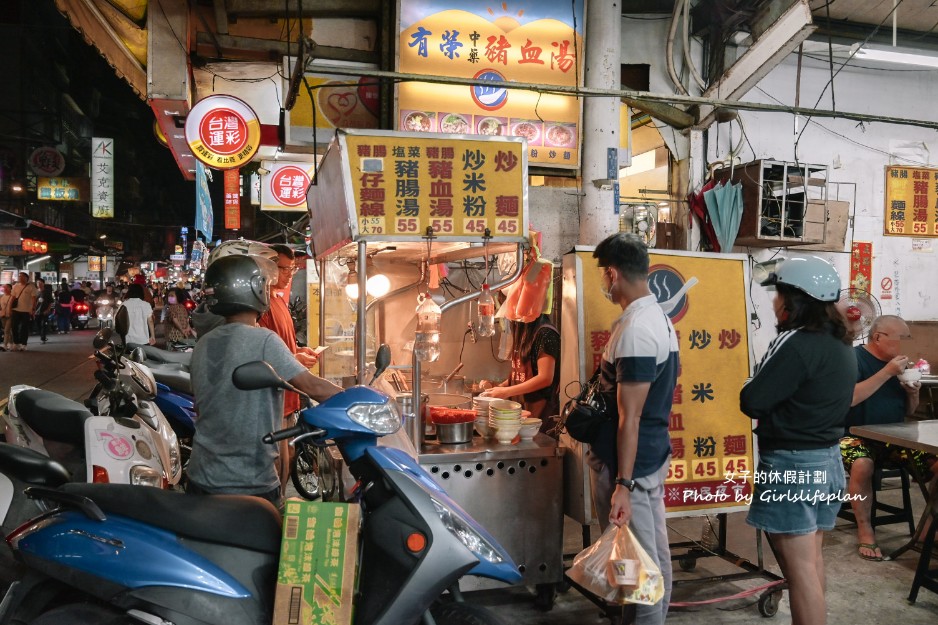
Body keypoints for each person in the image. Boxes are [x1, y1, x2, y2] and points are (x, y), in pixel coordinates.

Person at [740, 256, 856, 625]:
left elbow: (752, 400)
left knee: (800, 570)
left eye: (779, 294)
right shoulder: (841, 345)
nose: (775, 302)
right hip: (828, 462)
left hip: (793, 465)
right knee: (811, 561)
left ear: (795, 301)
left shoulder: (795, 342)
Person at [187, 254, 341, 507]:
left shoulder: (204, 343)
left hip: (201, 475)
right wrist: (360, 397)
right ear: (255, 289)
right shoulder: (264, 340)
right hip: (247, 480)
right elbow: (313, 387)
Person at [588, 232, 679, 625]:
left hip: (634, 465)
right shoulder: (649, 316)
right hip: (641, 459)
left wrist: (623, 485)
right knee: (635, 556)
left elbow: (632, 417)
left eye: (603, 278)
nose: (604, 285)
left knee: (642, 565)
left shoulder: (639, 329)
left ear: (612, 274)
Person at [840, 315, 938, 561]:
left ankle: (926, 532)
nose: (905, 343)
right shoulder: (852, 359)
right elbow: (848, 399)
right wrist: (887, 372)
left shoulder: (901, 366)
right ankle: (866, 531)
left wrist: (912, 393)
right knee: (863, 464)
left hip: (894, 439)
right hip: (852, 436)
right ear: (878, 337)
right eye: (901, 337)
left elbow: (908, 412)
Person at [259, 244, 321, 494]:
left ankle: (280, 504)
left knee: (288, 453)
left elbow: (284, 346)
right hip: (275, 396)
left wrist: (299, 351)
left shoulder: (279, 301)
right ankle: (274, 509)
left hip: (289, 395)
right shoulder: (263, 307)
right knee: (277, 457)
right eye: (284, 269)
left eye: (292, 269)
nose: (289, 275)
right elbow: (263, 354)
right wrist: (293, 357)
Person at [480, 313, 560, 434]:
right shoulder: (524, 332)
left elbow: (545, 378)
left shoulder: (545, 333)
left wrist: (505, 392)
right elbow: (520, 376)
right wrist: (499, 387)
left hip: (540, 417)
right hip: (521, 415)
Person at [10, 273, 38, 351]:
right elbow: (12, 298)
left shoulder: (31, 287)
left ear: (27, 278)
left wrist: (33, 309)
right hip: (16, 310)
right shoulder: (15, 286)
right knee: (14, 327)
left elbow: (33, 299)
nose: (20, 278)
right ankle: (16, 343)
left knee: (24, 328)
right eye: (19, 276)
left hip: (26, 311)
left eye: (22, 276)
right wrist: (9, 308)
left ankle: (24, 344)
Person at [0, 283, 12, 351]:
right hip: (3, 315)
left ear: (10, 289)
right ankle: (11, 343)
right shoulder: (1, 297)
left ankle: (5, 345)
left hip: (10, 315)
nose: (5, 289)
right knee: (7, 330)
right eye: (4, 287)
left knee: (7, 330)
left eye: (7, 287)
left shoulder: (12, 296)